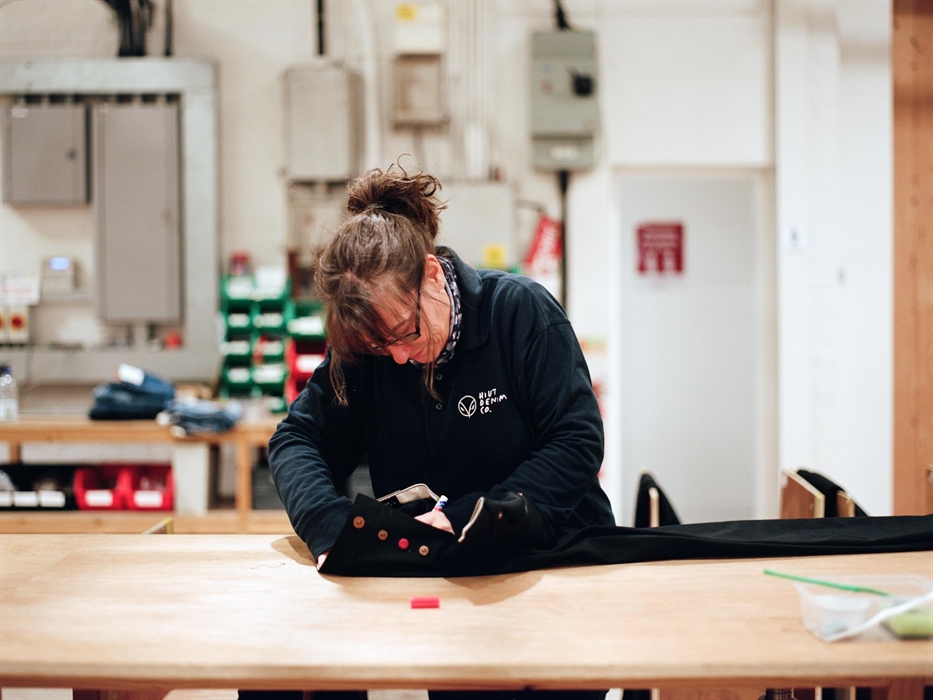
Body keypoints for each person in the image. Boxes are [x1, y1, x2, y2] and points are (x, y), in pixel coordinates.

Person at [263, 163, 615, 700]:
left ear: (431, 274)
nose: (399, 358)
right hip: (449, 588)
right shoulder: (372, 347)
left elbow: (576, 441)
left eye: (406, 332)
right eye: (380, 347)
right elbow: (297, 440)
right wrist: (330, 529)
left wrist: (471, 516)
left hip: (555, 573)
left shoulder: (519, 313)